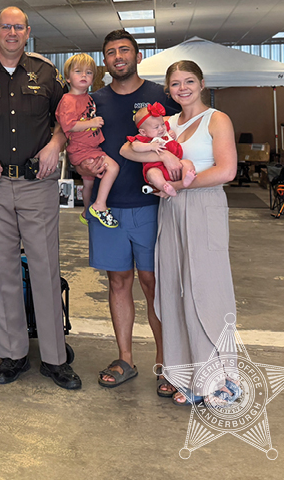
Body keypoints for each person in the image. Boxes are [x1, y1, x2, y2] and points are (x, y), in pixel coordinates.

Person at [0, 6, 80, 390]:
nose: (11, 32)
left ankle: (55, 358)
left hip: (37, 182)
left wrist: (57, 145)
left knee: (45, 268)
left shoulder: (46, 73)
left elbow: (67, 118)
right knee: (2, 271)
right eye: (5, 26)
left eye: (18, 27)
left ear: (27, 32)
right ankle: (12, 353)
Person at [121, 61, 239, 407]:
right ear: (168, 90)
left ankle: (221, 379)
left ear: (202, 83)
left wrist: (176, 183)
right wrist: (148, 153)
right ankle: (184, 375)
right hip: (171, 210)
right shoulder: (167, 123)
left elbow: (226, 170)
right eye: (175, 84)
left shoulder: (217, 119)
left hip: (204, 205)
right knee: (172, 290)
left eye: (189, 81)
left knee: (208, 289)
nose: (183, 88)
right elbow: (127, 149)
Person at [74, 30, 179, 397]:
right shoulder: (94, 101)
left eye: (124, 50)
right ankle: (125, 359)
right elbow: (78, 140)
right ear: (104, 61)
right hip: (109, 209)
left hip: (153, 206)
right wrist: (82, 165)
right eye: (110, 52)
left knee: (154, 286)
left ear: (136, 54)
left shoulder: (160, 97)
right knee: (118, 282)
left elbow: (179, 141)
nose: (118, 56)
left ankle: (167, 365)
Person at [55, 53, 119, 228]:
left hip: (91, 147)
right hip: (82, 149)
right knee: (113, 167)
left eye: (88, 73)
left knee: (88, 183)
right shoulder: (68, 100)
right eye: (78, 72)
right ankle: (99, 206)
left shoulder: (88, 98)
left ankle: (86, 211)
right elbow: (67, 125)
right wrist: (92, 123)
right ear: (67, 77)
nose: (84, 76)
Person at [128, 103, 197, 197]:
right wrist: (151, 146)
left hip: (176, 164)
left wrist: (171, 134)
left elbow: (168, 134)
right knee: (152, 174)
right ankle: (165, 187)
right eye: (156, 127)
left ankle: (186, 179)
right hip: (156, 167)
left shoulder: (165, 132)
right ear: (143, 132)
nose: (161, 128)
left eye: (162, 124)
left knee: (187, 163)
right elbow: (134, 146)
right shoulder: (144, 139)